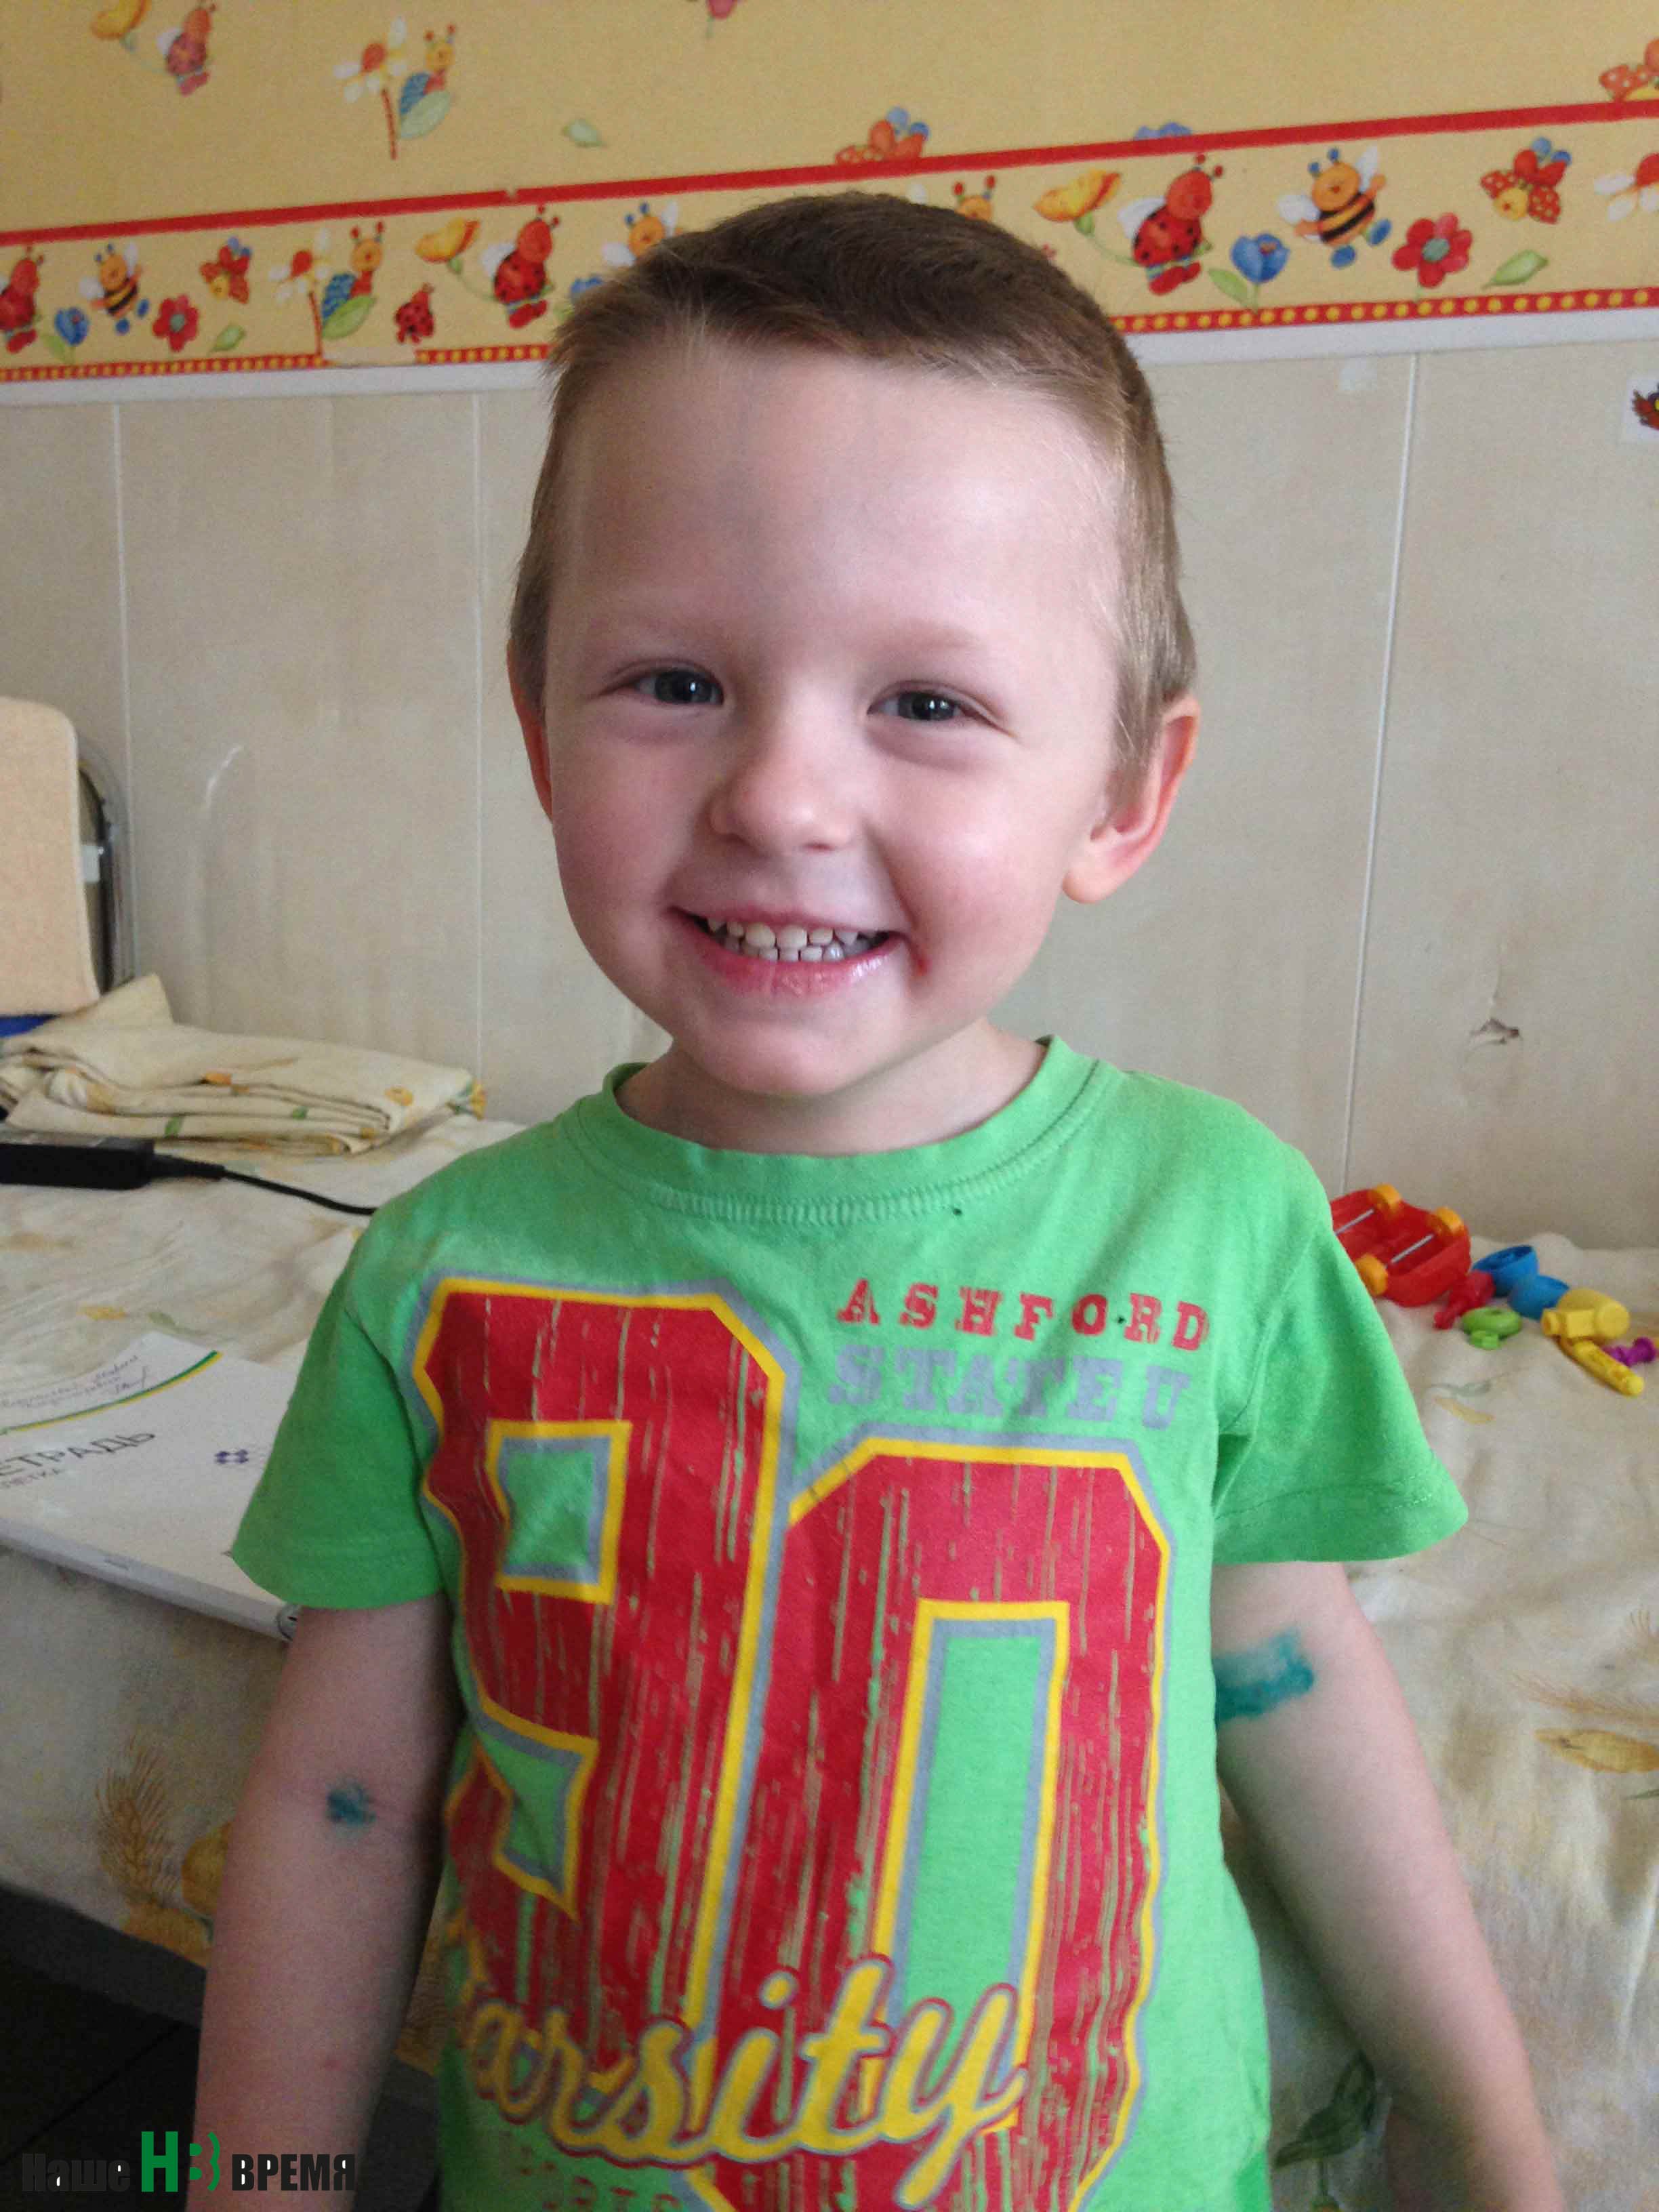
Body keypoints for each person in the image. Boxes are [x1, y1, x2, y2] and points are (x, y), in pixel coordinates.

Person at [194, 191, 1561, 2212]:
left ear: (1123, 793)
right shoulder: (440, 1276)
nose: (779, 798)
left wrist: (1488, 2128)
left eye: (926, 703)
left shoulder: (1212, 1220)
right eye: (673, 680)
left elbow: (1291, 1682)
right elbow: (337, 1800)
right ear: (538, 723)